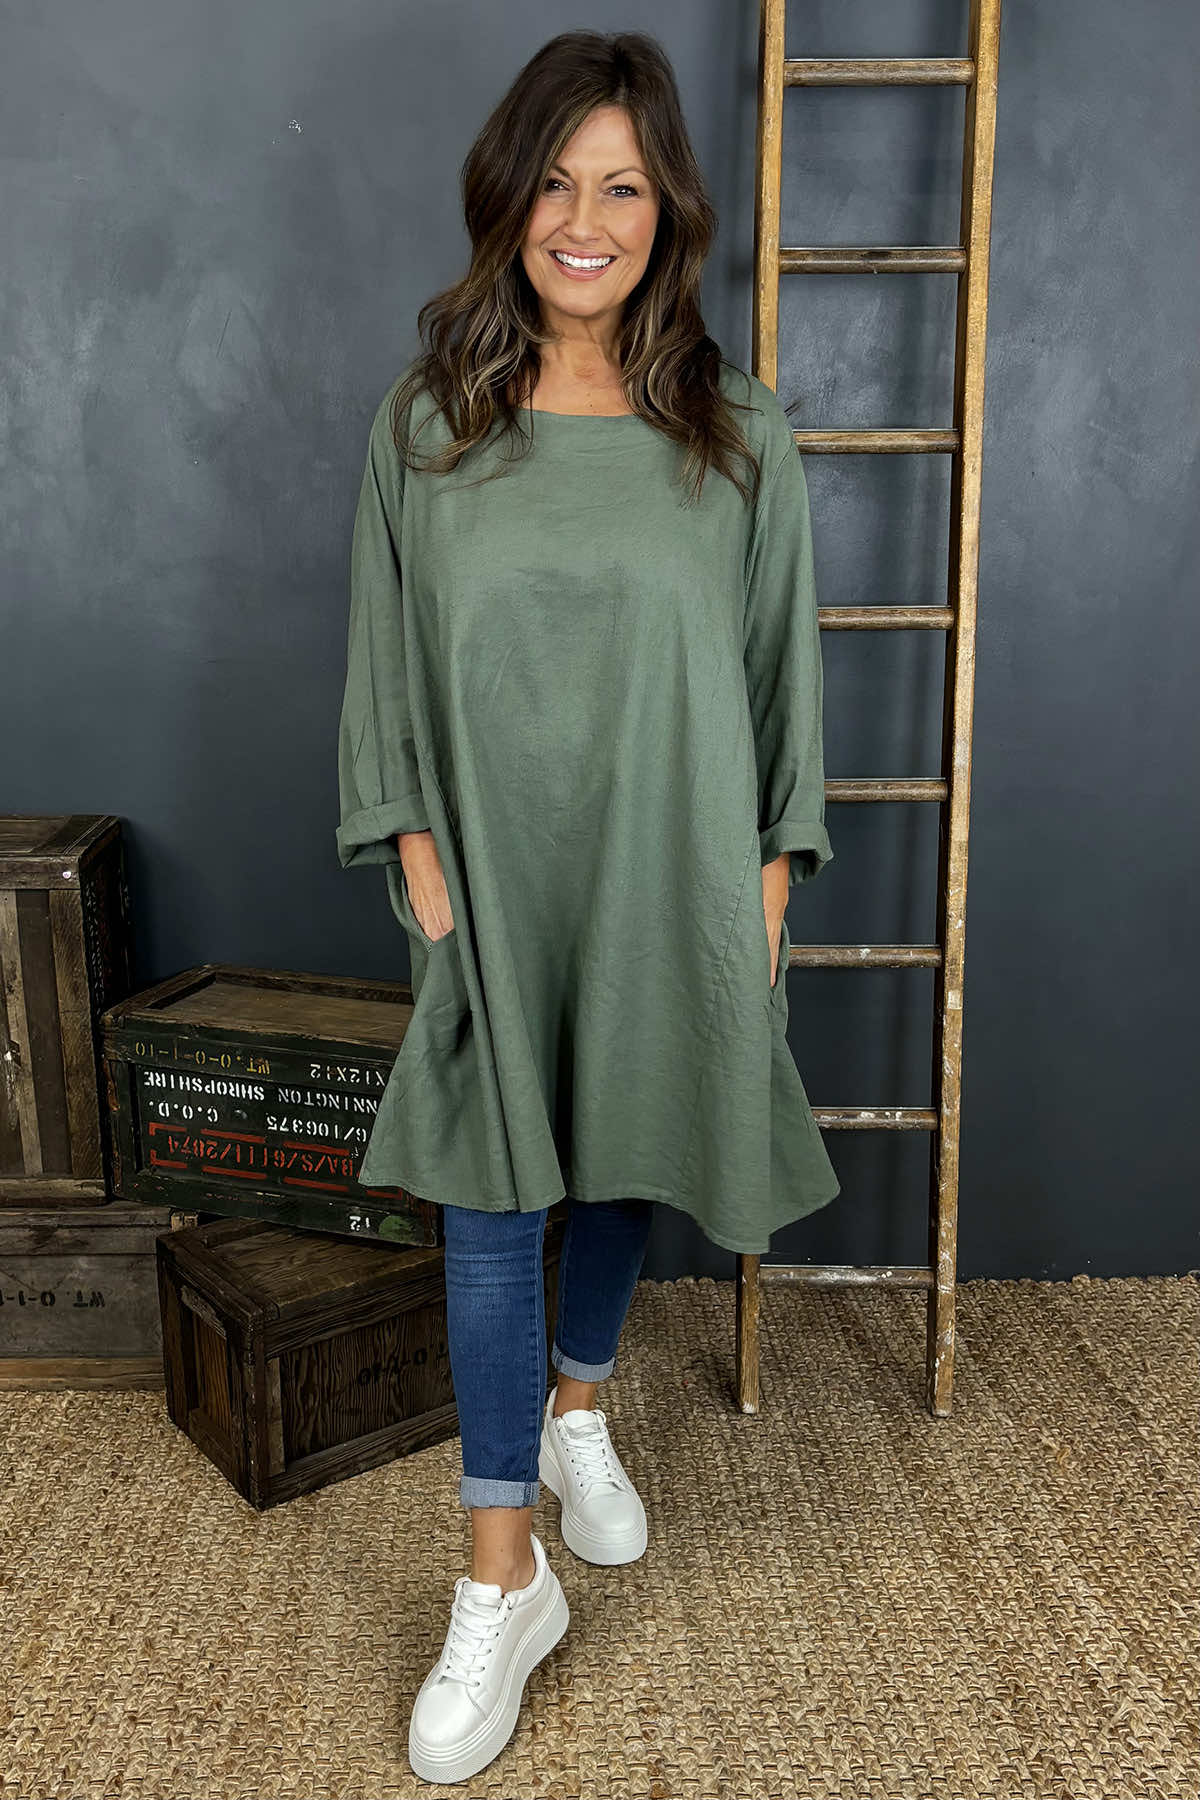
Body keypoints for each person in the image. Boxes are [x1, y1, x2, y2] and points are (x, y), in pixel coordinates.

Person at [335, 28, 840, 1787]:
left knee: (624, 1145)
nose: (584, 218)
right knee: (488, 1194)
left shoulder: (737, 432)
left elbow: (776, 677)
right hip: (488, 876)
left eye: (622, 186)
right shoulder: (425, 426)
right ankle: (502, 1574)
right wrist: (413, 851)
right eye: (555, 180)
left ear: (667, 212)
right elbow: (384, 662)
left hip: (673, 867)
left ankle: (577, 1407)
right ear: (508, 196)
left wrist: (763, 882)